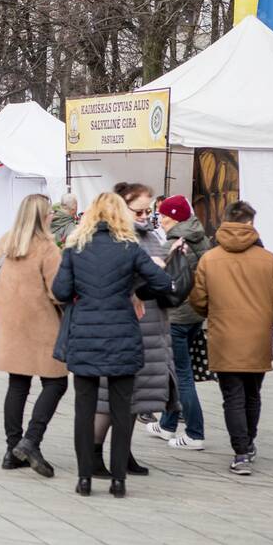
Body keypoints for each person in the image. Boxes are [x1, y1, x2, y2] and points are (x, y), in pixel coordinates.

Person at [52, 192, 172, 498]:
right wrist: (133, 293)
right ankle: (118, 480)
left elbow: (61, 291)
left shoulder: (75, 248)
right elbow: (161, 282)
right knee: (122, 410)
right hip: (122, 336)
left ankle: (84, 478)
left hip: (86, 337)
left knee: (84, 410)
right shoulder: (130, 248)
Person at [190, 201, 273, 476]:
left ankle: (241, 451)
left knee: (232, 397)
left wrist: (213, 313)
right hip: (258, 337)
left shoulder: (209, 259)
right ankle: (249, 442)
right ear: (250, 223)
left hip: (223, 337)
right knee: (252, 394)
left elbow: (198, 299)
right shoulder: (268, 259)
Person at [90, 182, 174, 478]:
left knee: (135, 398)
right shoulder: (115, 239)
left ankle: (123, 452)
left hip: (152, 328)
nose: (144, 215)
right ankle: (95, 453)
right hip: (124, 328)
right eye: (138, 209)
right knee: (106, 399)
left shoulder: (150, 235)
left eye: (148, 210)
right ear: (122, 207)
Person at [0, 194, 66, 477]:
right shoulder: (48, 248)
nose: (54, 217)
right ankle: (31, 439)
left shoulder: (7, 241)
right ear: (43, 217)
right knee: (56, 383)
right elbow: (59, 292)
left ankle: (12, 449)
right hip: (42, 325)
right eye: (51, 213)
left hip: (11, 324)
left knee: (17, 384)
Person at [144, 195, 211, 450]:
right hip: (194, 314)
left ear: (174, 217)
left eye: (163, 215)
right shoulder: (200, 237)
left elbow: (158, 276)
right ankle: (167, 425)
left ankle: (195, 433)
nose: (159, 219)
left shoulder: (175, 242)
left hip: (177, 316)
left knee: (182, 375)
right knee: (177, 371)